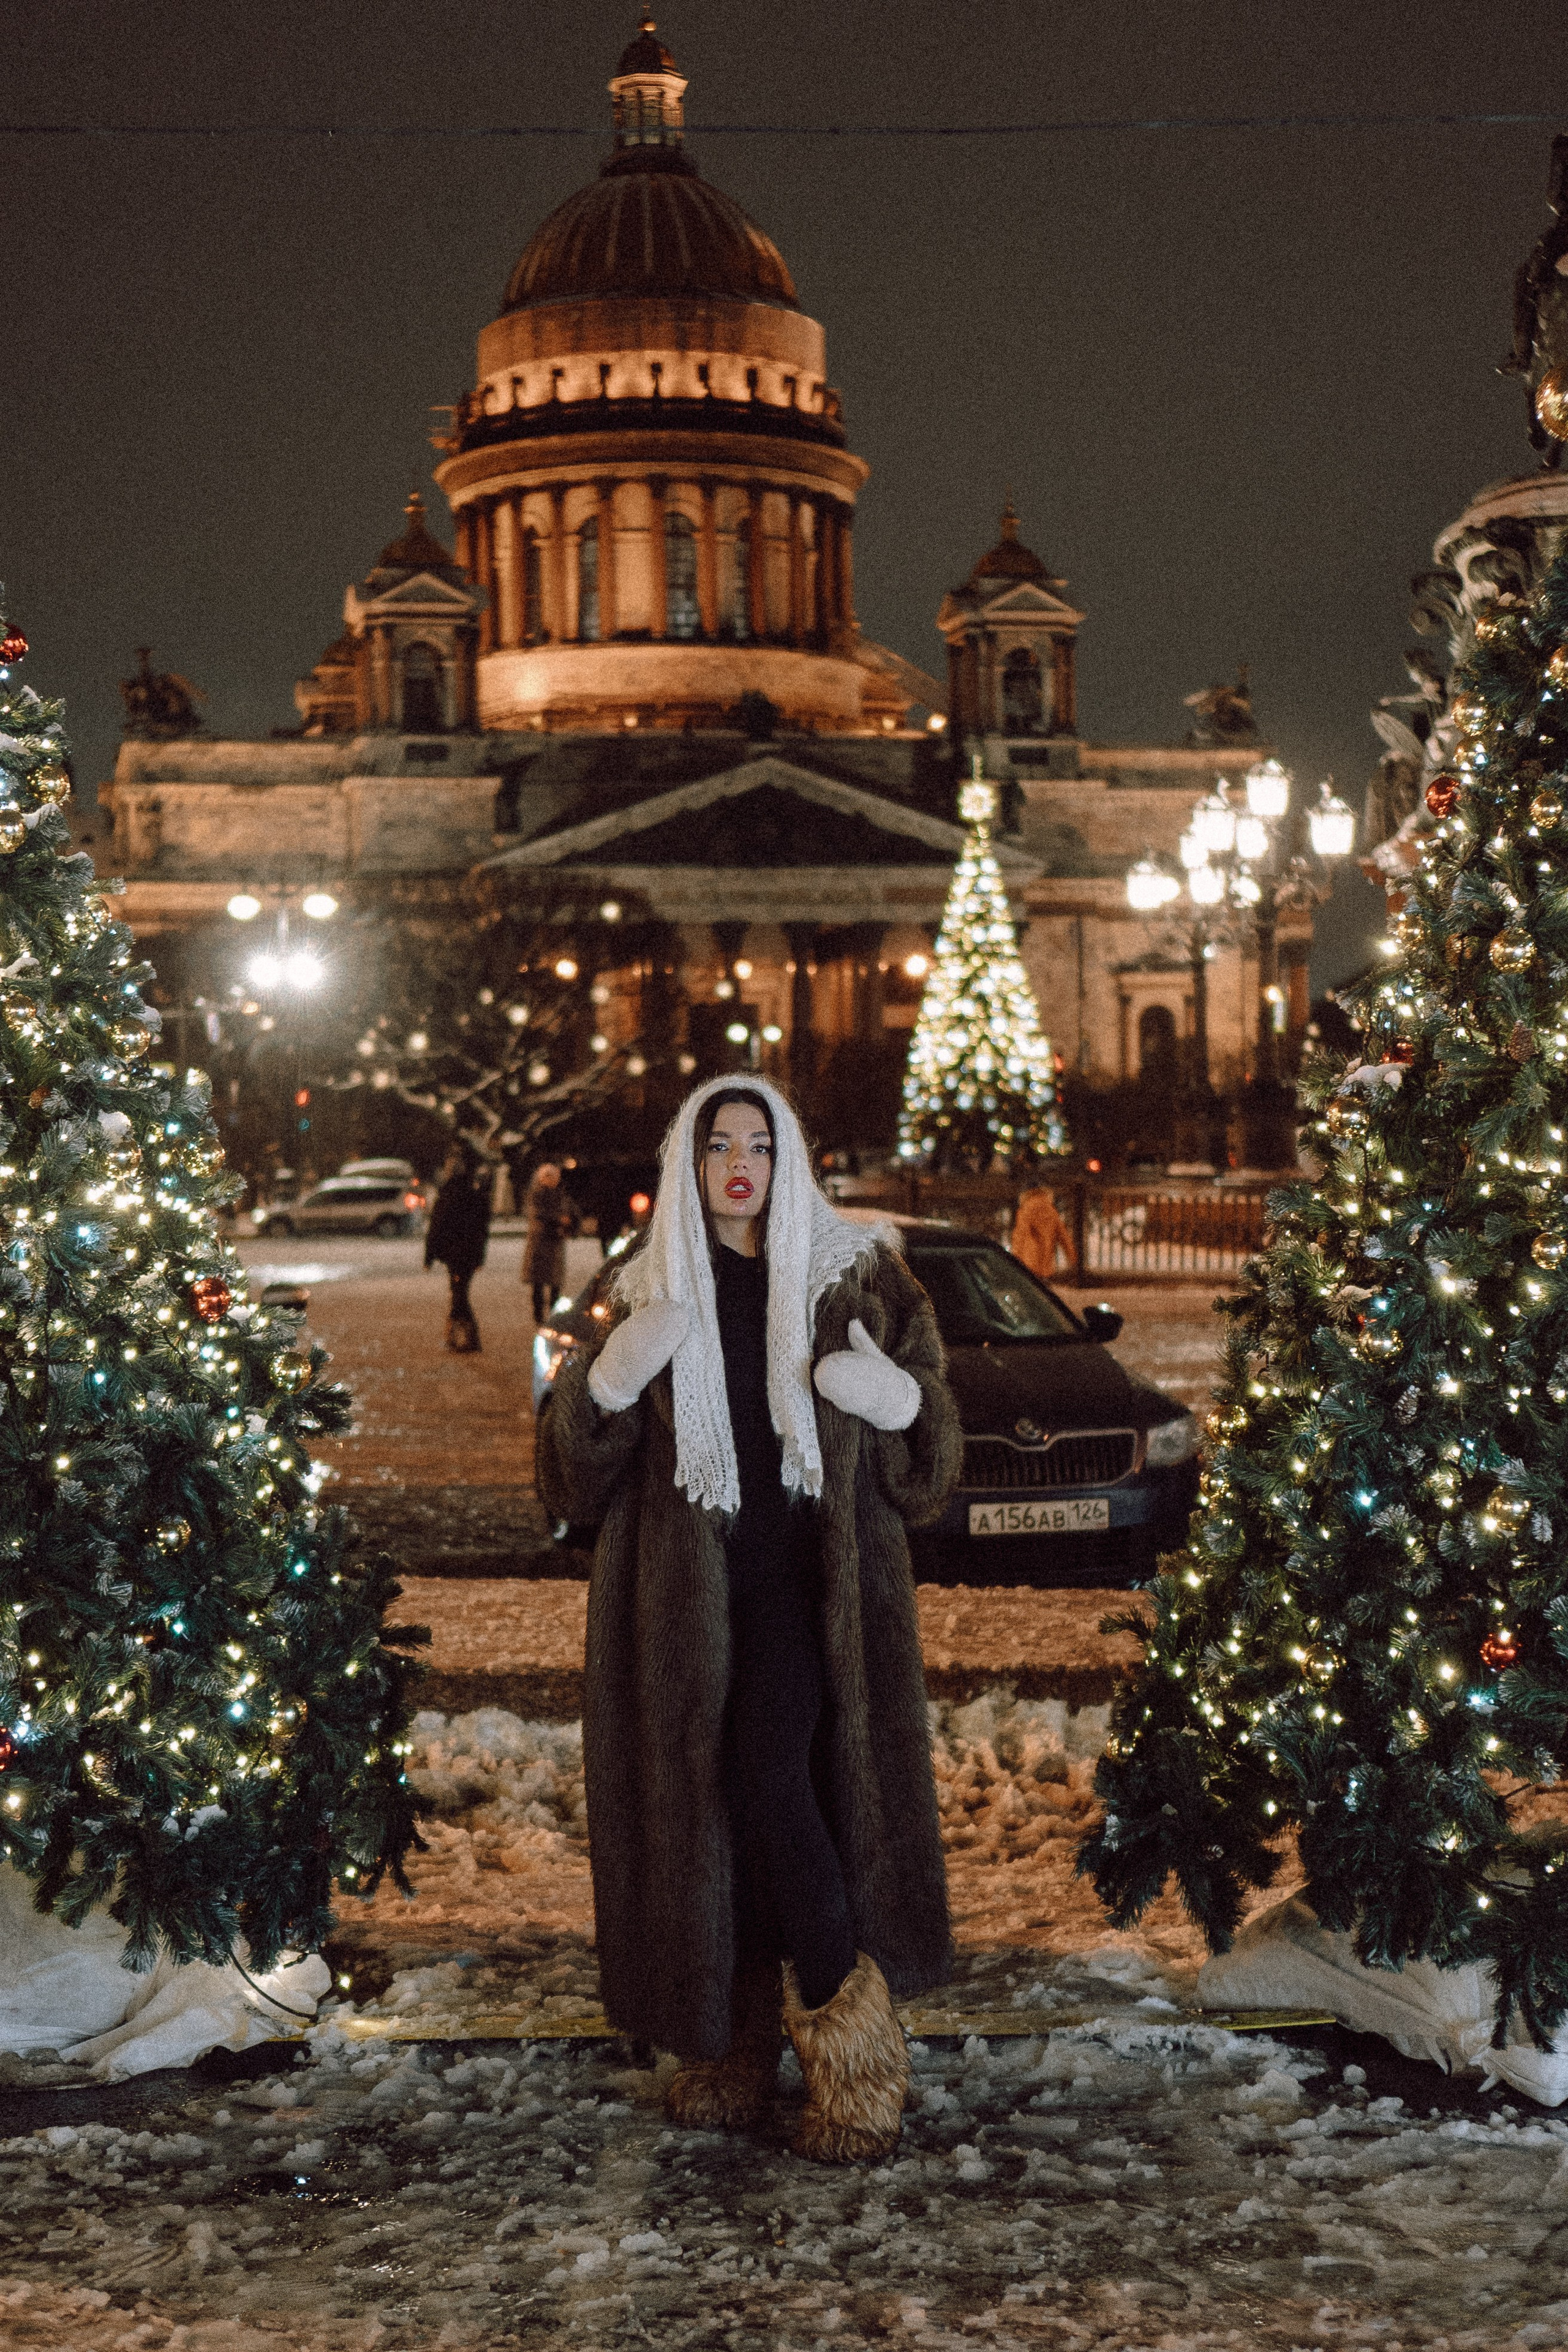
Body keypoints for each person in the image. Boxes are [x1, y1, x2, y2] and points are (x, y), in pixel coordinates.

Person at [537, 1077, 962, 2163]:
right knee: (714, 1808)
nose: (741, 1165)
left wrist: (900, 1404)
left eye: (761, 1145)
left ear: (789, 1158)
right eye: (720, 1144)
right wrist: (606, 1388)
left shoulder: (853, 1278)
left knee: (774, 1781)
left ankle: (854, 2046)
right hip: (681, 1604)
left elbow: (931, 1465)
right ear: (688, 1160)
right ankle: (729, 2044)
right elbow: (565, 1486)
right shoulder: (635, 1290)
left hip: (812, 1591)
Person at [423, 1142, 492, 1353]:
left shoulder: (448, 1194)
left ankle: (468, 1338)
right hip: (469, 1255)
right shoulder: (476, 1195)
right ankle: (457, 1337)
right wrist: (480, 1257)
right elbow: (482, 1231)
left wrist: (429, 1256)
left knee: (459, 1295)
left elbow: (436, 1227)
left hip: (455, 1254)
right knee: (459, 1293)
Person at [522, 1161, 576, 1323]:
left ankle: (554, 1315)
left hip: (555, 1243)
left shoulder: (562, 1194)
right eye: (547, 1177)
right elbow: (537, 1214)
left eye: (553, 1177)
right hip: (540, 1242)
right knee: (538, 1283)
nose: (551, 1180)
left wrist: (570, 1225)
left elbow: (573, 1213)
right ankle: (538, 1315)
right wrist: (559, 1220)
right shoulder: (537, 1194)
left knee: (555, 1284)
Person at [1011, 1183, 1076, 1280]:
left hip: (1028, 1264)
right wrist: (1073, 1259)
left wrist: (1014, 1261)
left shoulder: (1025, 1210)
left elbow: (1020, 1236)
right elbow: (1064, 1237)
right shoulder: (1052, 1211)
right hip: (1046, 1265)